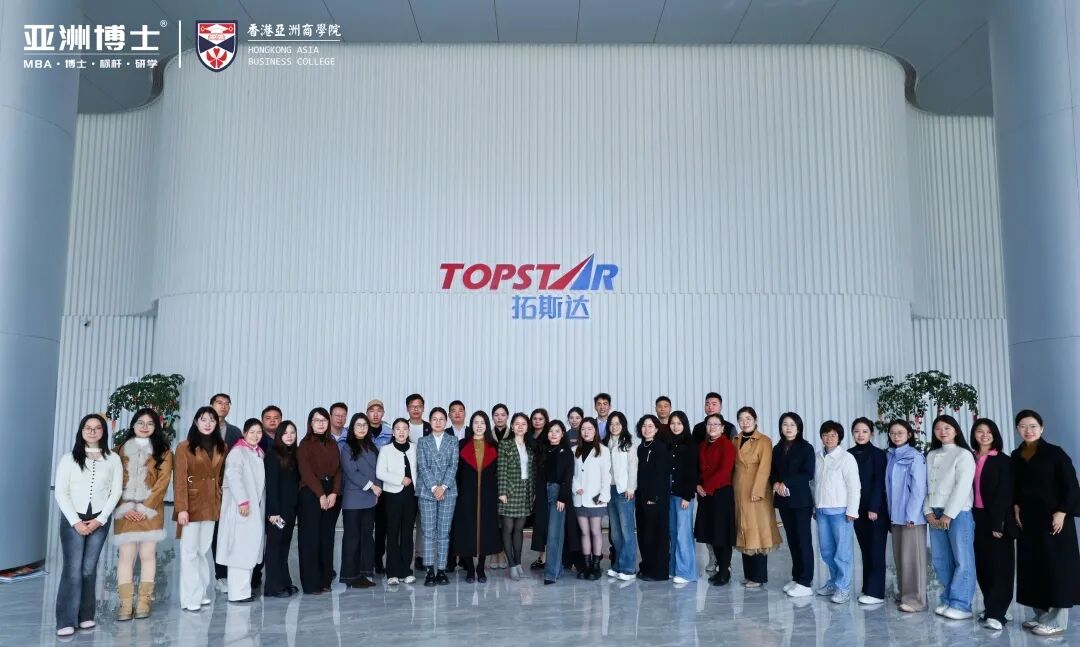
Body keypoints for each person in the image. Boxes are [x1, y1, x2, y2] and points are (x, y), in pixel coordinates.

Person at [1012, 409, 1080, 636]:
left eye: (1033, 426)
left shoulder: (1055, 453)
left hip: (1054, 520)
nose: (1028, 430)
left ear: (1041, 428)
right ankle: (1041, 615)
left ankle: (1056, 621)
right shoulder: (1016, 455)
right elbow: (1015, 486)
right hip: (1029, 522)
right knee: (1033, 567)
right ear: (1017, 429)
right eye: (1023, 426)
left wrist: (1062, 512)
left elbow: (1071, 486)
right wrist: (1016, 505)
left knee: (1056, 568)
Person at [54, 414, 122, 636]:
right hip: (73, 519)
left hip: (99, 520)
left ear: (103, 432)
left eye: (97, 428)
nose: (92, 431)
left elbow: (116, 491)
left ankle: (85, 616)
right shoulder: (68, 459)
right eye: (88, 428)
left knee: (88, 569)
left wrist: (100, 520)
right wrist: (76, 522)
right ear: (81, 431)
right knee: (73, 569)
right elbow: (61, 492)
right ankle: (65, 620)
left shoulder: (113, 459)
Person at [112, 408, 174, 620]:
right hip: (125, 512)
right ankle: (125, 604)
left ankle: (144, 602)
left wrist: (144, 508)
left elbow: (162, 483)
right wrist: (124, 506)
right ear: (133, 425)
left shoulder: (164, 452)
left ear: (156, 427)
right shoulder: (119, 450)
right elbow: (112, 481)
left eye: (150, 423)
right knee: (126, 557)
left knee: (147, 555)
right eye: (140, 422)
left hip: (151, 511)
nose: (145, 427)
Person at [173, 407, 227, 612]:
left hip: (211, 505)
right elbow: (179, 480)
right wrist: (181, 508)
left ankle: (202, 593)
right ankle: (189, 598)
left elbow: (220, 477)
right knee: (189, 553)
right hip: (191, 505)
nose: (208, 423)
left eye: (212, 420)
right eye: (203, 419)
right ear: (196, 422)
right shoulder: (184, 447)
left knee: (203, 551)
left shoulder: (222, 447)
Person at [925, 414, 977, 620]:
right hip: (935, 511)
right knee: (940, 559)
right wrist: (928, 511)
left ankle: (961, 604)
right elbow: (926, 485)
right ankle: (947, 599)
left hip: (958, 512)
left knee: (962, 559)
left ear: (956, 430)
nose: (943, 431)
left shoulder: (963, 454)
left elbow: (962, 486)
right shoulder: (931, 455)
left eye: (947, 427)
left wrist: (948, 514)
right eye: (938, 428)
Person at [969, 418, 1016, 631]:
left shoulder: (1003, 461)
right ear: (974, 434)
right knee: (983, 564)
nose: (985, 435)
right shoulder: (970, 457)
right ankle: (992, 607)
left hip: (997, 518)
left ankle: (997, 613)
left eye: (989, 431)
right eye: (980, 431)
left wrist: (999, 523)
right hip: (975, 516)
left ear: (995, 435)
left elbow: (1005, 494)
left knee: (1000, 566)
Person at [216, 418, 266, 603]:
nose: (255, 436)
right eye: (252, 432)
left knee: (249, 548)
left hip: (254, 507)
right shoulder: (237, 452)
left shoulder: (258, 452)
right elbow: (234, 477)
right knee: (239, 550)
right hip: (241, 508)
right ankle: (237, 593)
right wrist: (243, 501)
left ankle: (244, 590)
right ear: (244, 433)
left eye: (259, 432)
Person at [814, 420, 861, 604]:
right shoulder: (818, 457)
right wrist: (815, 507)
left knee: (842, 552)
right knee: (826, 551)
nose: (829, 438)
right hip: (821, 511)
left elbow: (854, 486)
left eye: (833, 435)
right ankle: (833, 582)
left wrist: (852, 510)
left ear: (839, 437)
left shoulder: (846, 458)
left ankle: (843, 588)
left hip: (841, 512)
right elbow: (814, 485)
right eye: (825, 435)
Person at [733, 406, 780, 588]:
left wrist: (758, 491)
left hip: (756, 492)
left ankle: (759, 576)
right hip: (738, 490)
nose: (745, 422)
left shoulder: (764, 441)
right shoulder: (735, 440)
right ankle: (749, 574)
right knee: (743, 530)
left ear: (755, 420)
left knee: (757, 532)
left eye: (748, 419)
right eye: (741, 419)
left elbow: (765, 468)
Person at [296, 407, 341, 594]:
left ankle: (325, 581)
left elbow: (338, 470)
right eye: (316, 420)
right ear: (310, 423)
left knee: (327, 538)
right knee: (311, 539)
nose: (321, 424)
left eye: (324, 420)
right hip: (311, 493)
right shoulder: (305, 444)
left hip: (331, 493)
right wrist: (321, 494)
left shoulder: (332, 443)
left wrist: (334, 493)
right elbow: (305, 472)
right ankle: (311, 584)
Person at [885, 419, 928, 613]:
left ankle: (916, 600)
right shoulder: (891, 456)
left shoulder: (915, 457)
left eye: (900, 433)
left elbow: (919, 488)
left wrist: (911, 515)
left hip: (911, 517)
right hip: (895, 516)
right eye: (892, 433)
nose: (896, 436)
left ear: (909, 435)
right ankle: (904, 593)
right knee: (901, 558)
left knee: (913, 559)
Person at [769, 412, 814, 597]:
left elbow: (808, 473)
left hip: (801, 501)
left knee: (804, 541)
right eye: (785, 424)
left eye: (792, 425)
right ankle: (797, 577)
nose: (788, 428)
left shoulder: (806, 448)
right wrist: (775, 484)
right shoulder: (777, 448)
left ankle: (806, 581)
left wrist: (786, 482)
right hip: (784, 500)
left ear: (799, 427)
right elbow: (772, 471)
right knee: (793, 541)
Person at [456, 411, 501, 582]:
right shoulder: (462, 444)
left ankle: (481, 568)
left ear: (487, 425)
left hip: (488, 495)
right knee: (467, 530)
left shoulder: (494, 446)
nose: (479, 426)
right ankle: (469, 568)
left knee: (485, 532)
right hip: (466, 494)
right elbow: (457, 472)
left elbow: (497, 472)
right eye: (476, 422)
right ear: (471, 425)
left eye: (482, 422)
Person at [849, 416, 889, 605]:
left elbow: (879, 482)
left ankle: (876, 593)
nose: (860, 435)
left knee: (876, 550)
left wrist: (874, 507)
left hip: (875, 511)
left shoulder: (878, 454)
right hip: (856, 510)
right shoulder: (848, 454)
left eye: (864, 431)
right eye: (857, 431)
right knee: (865, 550)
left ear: (871, 433)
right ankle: (867, 588)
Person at [339, 413, 381, 589]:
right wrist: (372, 486)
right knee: (352, 538)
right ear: (352, 428)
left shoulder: (372, 447)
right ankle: (350, 576)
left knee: (366, 537)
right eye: (358, 425)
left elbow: (379, 470)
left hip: (370, 498)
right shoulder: (347, 447)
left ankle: (364, 573)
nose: (362, 428)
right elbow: (352, 472)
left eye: (365, 425)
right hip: (353, 499)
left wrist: (377, 489)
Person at [417, 407, 458, 586]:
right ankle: (429, 571)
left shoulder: (453, 440)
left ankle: (441, 570)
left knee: (443, 532)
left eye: (441, 419)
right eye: (435, 419)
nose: (438, 422)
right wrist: (435, 487)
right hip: (427, 492)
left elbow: (453, 465)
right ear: (430, 421)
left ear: (446, 421)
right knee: (428, 532)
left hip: (448, 492)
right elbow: (422, 466)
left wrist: (443, 487)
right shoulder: (422, 441)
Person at [531, 421, 576, 584]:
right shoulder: (544, 450)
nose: (553, 434)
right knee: (545, 531)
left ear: (563, 433)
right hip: (544, 492)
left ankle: (551, 573)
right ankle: (556, 569)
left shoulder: (566, 452)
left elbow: (568, 476)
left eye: (557, 431)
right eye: (551, 431)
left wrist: (562, 497)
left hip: (558, 494)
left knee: (554, 533)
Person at [696, 413, 737, 586]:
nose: (712, 427)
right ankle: (720, 569)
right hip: (705, 496)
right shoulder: (703, 445)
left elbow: (724, 471)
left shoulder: (727, 445)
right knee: (711, 534)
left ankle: (724, 571)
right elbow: (698, 469)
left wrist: (707, 487)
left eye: (716, 424)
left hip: (721, 494)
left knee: (722, 534)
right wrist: (698, 485)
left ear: (722, 428)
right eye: (709, 424)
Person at [376, 419, 419, 585]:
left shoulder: (415, 448)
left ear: (408, 431)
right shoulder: (386, 449)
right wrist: (400, 479)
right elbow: (380, 473)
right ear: (393, 432)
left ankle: (406, 571)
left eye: (404, 429)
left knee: (407, 533)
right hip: (392, 496)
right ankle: (392, 572)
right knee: (392, 533)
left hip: (411, 496)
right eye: (398, 429)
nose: (401, 432)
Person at [264, 420, 300, 598]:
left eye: (292, 432)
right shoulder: (273, 455)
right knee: (274, 547)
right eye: (285, 433)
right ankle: (273, 587)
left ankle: (285, 582)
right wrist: (273, 512)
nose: (289, 436)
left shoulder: (293, 454)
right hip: (277, 511)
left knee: (284, 546)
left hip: (290, 510)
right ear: (279, 435)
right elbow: (271, 486)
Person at [573, 417, 611, 580]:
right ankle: (586, 566)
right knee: (584, 532)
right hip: (579, 498)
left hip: (596, 499)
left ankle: (596, 566)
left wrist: (603, 496)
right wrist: (575, 487)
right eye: (583, 429)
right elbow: (572, 474)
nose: (586, 432)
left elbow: (606, 476)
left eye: (589, 429)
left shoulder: (603, 450)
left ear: (595, 431)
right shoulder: (574, 450)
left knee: (595, 531)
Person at [497, 411, 533, 581]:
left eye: (523, 424)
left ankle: (518, 564)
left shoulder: (530, 446)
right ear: (512, 427)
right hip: (509, 490)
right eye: (517, 424)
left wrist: (532, 493)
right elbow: (501, 469)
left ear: (527, 427)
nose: (520, 427)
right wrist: (502, 492)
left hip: (525, 491)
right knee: (508, 528)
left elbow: (532, 472)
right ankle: (511, 564)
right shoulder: (505, 445)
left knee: (519, 529)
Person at [210, 393, 240, 591]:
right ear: (211, 405)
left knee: (226, 532)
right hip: (206, 489)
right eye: (219, 403)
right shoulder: (200, 429)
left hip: (228, 488)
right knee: (210, 534)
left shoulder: (235, 432)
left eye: (227, 404)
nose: (223, 406)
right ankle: (218, 575)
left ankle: (226, 574)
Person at [635, 414, 671, 581]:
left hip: (656, 498)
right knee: (644, 534)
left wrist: (654, 497)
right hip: (641, 497)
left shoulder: (660, 448)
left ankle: (659, 572)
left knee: (657, 535)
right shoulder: (640, 448)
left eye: (650, 426)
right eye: (644, 426)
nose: (647, 429)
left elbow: (661, 476)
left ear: (656, 429)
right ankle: (646, 567)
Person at [605, 411, 638, 580]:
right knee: (615, 533)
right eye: (611, 424)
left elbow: (633, 468)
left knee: (627, 531)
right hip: (609, 491)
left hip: (624, 491)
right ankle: (617, 565)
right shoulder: (605, 443)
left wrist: (631, 488)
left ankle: (628, 568)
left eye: (617, 423)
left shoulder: (629, 444)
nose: (614, 426)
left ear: (623, 425)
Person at [668, 411, 699, 584]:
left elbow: (693, 472)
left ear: (684, 425)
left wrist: (687, 496)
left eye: (679, 423)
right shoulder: (668, 443)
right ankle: (674, 568)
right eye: (673, 423)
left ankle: (686, 572)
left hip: (683, 496)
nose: (675, 426)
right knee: (673, 533)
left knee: (683, 534)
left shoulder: (691, 444)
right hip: (670, 495)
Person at [367, 400, 393, 575]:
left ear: (383, 413)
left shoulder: (390, 433)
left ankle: (378, 559)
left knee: (382, 527)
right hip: (366, 487)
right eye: (372, 410)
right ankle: (366, 560)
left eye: (379, 410)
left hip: (385, 488)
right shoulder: (360, 431)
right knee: (366, 527)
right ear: (367, 413)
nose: (375, 414)